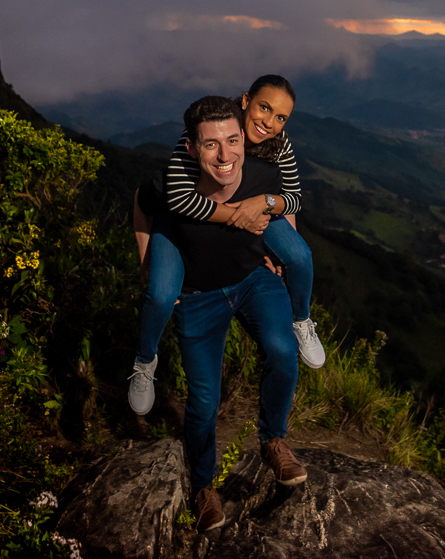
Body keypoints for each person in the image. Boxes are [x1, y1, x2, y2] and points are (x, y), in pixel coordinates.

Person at [133, 95, 308, 532]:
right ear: (192, 148)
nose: (226, 154)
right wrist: (146, 263)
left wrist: (277, 251)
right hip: (198, 295)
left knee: (283, 352)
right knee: (204, 401)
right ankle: (203, 485)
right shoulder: (176, 188)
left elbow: (288, 206)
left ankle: (273, 441)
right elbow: (142, 201)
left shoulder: (264, 175)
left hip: (252, 280)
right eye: (212, 145)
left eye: (233, 140)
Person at [129, 75, 324, 416]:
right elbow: (177, 200)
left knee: (299, 254)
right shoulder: (207, 131)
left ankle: (301, 321)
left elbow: (291, 199)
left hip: (257, 207)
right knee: (160, 294)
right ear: (246, 100)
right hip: (190, 221)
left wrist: (271, 235)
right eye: (265, 108)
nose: (270, 122)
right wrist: (239, 216)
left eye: (281, 117)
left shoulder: (279, 144)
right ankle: (145, 361)